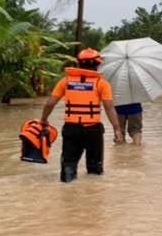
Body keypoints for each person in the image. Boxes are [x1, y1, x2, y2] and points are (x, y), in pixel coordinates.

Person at [40, 48, 125, 182]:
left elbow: (50, 104)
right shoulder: (101, 83)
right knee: (95, 168)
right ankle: (93, 195)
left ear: (78, 63)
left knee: (68, 164)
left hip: (71, 129)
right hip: (93, 130)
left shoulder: (65, 81)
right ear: (97, 64)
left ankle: (68, 192)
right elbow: (109, 108)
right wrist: (117, 129)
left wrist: (44, 120)